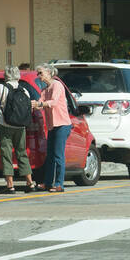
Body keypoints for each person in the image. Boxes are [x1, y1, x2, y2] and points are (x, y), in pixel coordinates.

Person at [0, 65, 35, 193]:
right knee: (22, 152)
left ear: (6, 76)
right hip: (21, 126)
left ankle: (10, 185)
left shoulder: (2, 88)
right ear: (18, 75)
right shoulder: (24, 90)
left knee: (6, 154)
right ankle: (30, 183)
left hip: (5, 125)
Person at [34, 64, 72, 192]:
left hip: (62, 124)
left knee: (58, 155)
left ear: (49, 72)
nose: (38, 76)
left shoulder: (57, 85)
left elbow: (53, 102)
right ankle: (48, 183)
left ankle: (59, 184)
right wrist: (32, 104)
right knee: (49, 155)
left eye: (40, 73)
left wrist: (39, 103)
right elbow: (40, 103)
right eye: (38, 73)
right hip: (52, 125)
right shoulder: (45, 90)